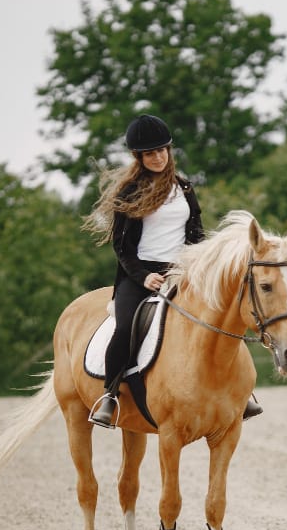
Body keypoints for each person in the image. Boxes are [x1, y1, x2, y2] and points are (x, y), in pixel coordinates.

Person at [85, 114, 263, 427]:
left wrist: (201, 263)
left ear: (169, 150)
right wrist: (143, 277)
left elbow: (195, 233)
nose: (158, 157)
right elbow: (122, 248)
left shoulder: (184, 187)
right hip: (140, 275)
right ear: (139, 158)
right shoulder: (129, 193)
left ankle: (240, 391)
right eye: (150, 153)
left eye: (162, 150)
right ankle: (110, 394)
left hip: (183, 270)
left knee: (223, 316)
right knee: (125, 328)